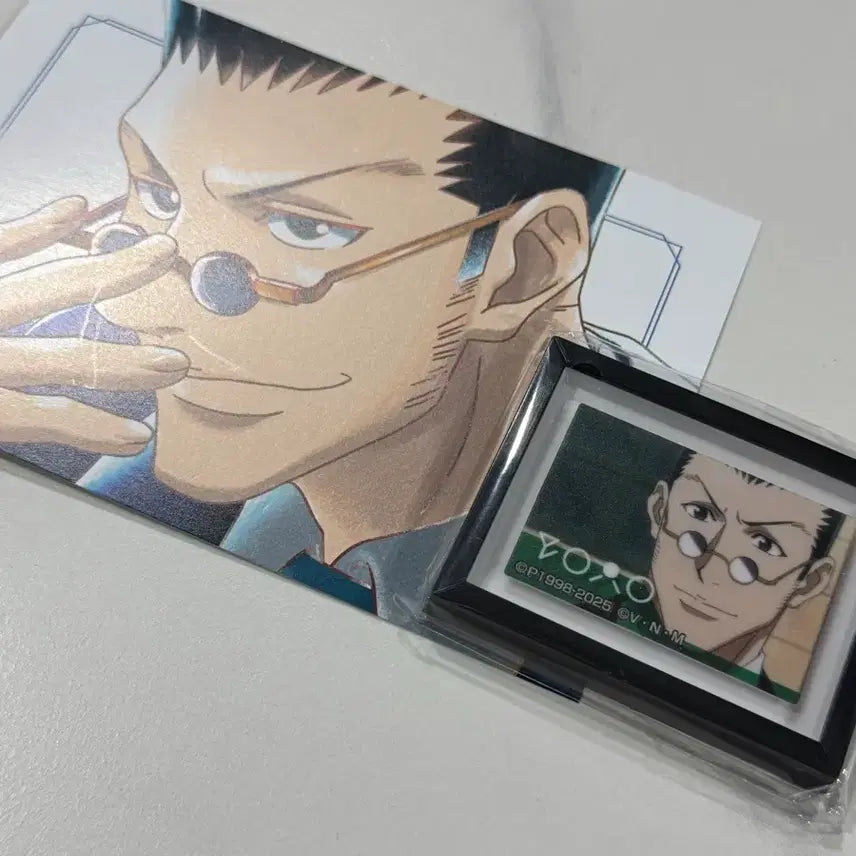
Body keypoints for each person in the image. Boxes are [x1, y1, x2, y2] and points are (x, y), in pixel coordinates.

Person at [0, 3, 623, 620]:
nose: (131, 310)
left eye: (302, 227)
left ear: (522, 269)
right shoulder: (101, 418)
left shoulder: (630, 572)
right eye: (160, 194)